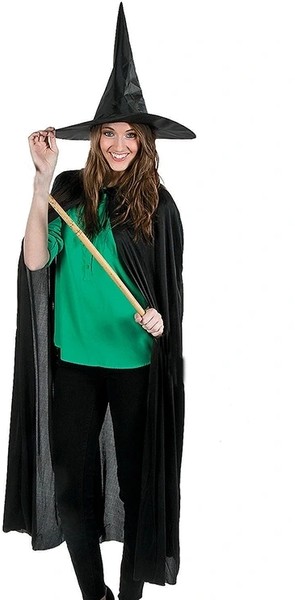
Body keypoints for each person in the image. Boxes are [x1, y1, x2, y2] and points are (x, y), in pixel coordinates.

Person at [2, 5, 195, 600]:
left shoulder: (158, 205)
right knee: (70, 489)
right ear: (94, 139)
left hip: (134, 366)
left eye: (129, 134)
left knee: (137, 489)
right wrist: (41, 182)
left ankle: (128, 597)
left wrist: (160, 319)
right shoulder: (67, 192)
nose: (118, 144)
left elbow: (169, 294)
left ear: (144, 141)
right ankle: (96, 595)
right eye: (108, 133)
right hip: (75, 364)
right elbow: (36, 262)